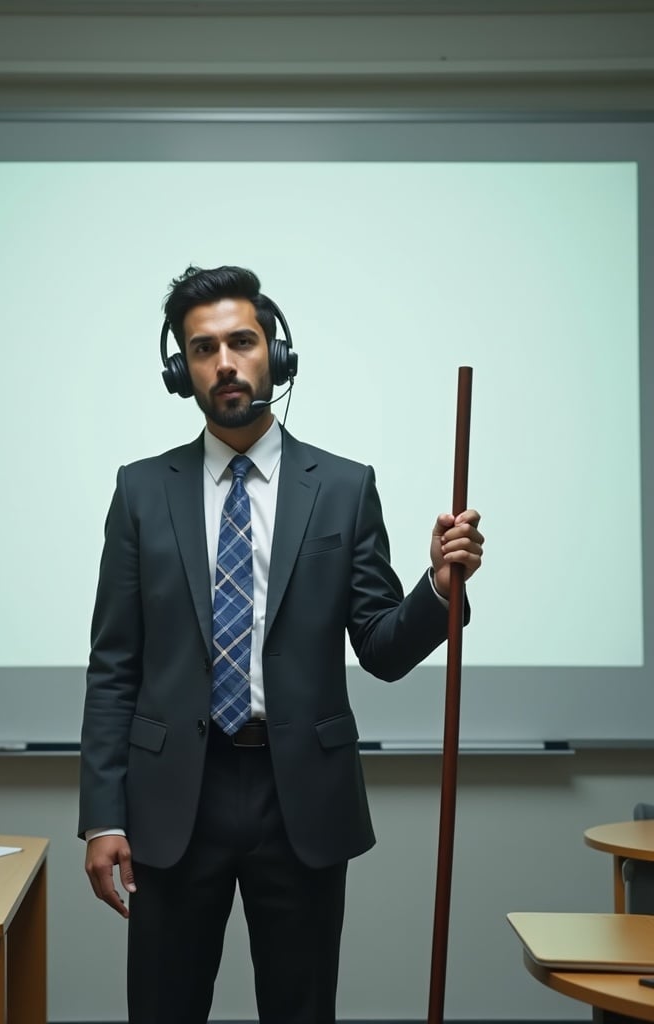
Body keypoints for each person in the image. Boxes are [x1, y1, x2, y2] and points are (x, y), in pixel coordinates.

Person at [78, 264, 484, 1024]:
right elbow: (114, 666)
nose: (224, 363)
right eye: (202, 349)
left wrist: (436, 588)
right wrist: (103, 817)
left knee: (300, 1011)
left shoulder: (342, 487)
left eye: (241, 341)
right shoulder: (140, 491)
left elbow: (383, 649)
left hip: (299, 796)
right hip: (174, 802)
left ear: (276, 354)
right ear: (181, 371)